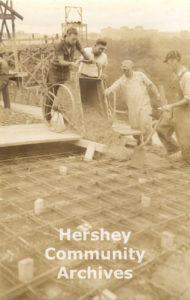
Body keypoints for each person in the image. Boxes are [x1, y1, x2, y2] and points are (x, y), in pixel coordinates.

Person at [105, 60, 160, 142]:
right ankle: (138, 143)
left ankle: (148, 143)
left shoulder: (140, 75)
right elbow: (112, 88)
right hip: (132, 107)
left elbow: (150, 85)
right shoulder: (122, 80)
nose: (125, 72)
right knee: (135, 127)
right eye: (124, 70)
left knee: (145, 124)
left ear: (131, 68)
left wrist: (157, 94)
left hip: (144, 103)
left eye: (127, 70)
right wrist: (106, 91)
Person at [44, 27, 89, 123]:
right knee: (52, 92)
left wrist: (90, 59)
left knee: (67, 95)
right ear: (67, 36)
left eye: (76, 39)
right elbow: (61, 61)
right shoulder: (60, 45)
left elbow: (83, 52)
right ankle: (47, 116)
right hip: (55, 71)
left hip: (65, 71)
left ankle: (66, 120)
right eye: (73, 39)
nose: (74, 41)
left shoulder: (75, 41)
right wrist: (71, 63)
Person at [157, 50, 190, 162]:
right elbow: (173, 94)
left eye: (169, 62)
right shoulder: (174, 76)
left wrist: (171, 106)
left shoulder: (187, 76)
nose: (168, 65)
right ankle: (173, 149)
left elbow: (188, 99)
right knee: (161, 129)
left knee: (186, 145)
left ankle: (186, 165)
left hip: (185, 114)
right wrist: (166, 106)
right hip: (174, 112)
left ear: (175, 61)